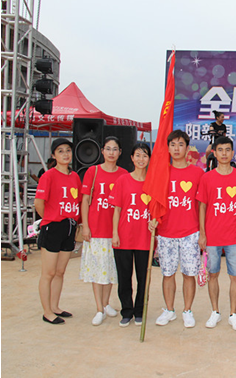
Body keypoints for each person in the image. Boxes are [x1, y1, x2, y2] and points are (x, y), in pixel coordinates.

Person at [151, 130, 204, 328]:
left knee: (189, 274)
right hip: (166, 232)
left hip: (190, 232)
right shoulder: (162, 173)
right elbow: (154, 201)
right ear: (167, 148)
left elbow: (202, 205)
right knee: (168, 273)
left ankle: (187, 310)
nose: (176, 148)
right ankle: (169, 310)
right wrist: (153, 219)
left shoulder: (197, 173)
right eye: (172, 144)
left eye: (180, 144)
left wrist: (202, 233)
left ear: (187, 148)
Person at [197, 136, 236, 331]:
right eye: (220, 150)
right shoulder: (207, 177)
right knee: (213, 274)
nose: (224, 153)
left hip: (234, 235)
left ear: (233, 153)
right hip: (212, 236)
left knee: (235, 275)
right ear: (215, 153)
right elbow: (202, 206)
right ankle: (215, 311)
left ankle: (233, 314)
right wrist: (202, 233)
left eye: (228, 150)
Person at [80, 136, 127, 326]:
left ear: (120, 152)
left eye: (115, 149)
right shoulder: (93, 172)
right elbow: (85, 200)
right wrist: (85, 226)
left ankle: (106, 303)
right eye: (108, 149)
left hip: (115, 231)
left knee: (110, 270)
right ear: (102, 151)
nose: (111, 153)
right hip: (96, 229)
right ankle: (99, 308)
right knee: (97, 270)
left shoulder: (123, 174)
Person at [35, 138, 82, 324]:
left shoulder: (75, 177)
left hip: (69, 227)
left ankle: (55, 307)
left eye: (68, 150)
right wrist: (50, 219)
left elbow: (78, 202)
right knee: (48, 272)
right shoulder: (48, 176)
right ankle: (47, 312)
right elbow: (39, 203)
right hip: (53, 227)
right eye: (60, 151)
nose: (65, 154)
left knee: (60, 271)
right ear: (53, 155)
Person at [110, 142, 152, 327]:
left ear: (149, 159)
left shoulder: (153, 182)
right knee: (124, 277)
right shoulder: (123, 180)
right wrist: (115, 233)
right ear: (132, 158)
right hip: (124, 237)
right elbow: (117, 210)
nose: (141, 159)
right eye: (138, 155)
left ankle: (139, 311)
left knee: (143, 278)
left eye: (145, 155)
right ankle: (126, 311)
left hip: (145, 238)